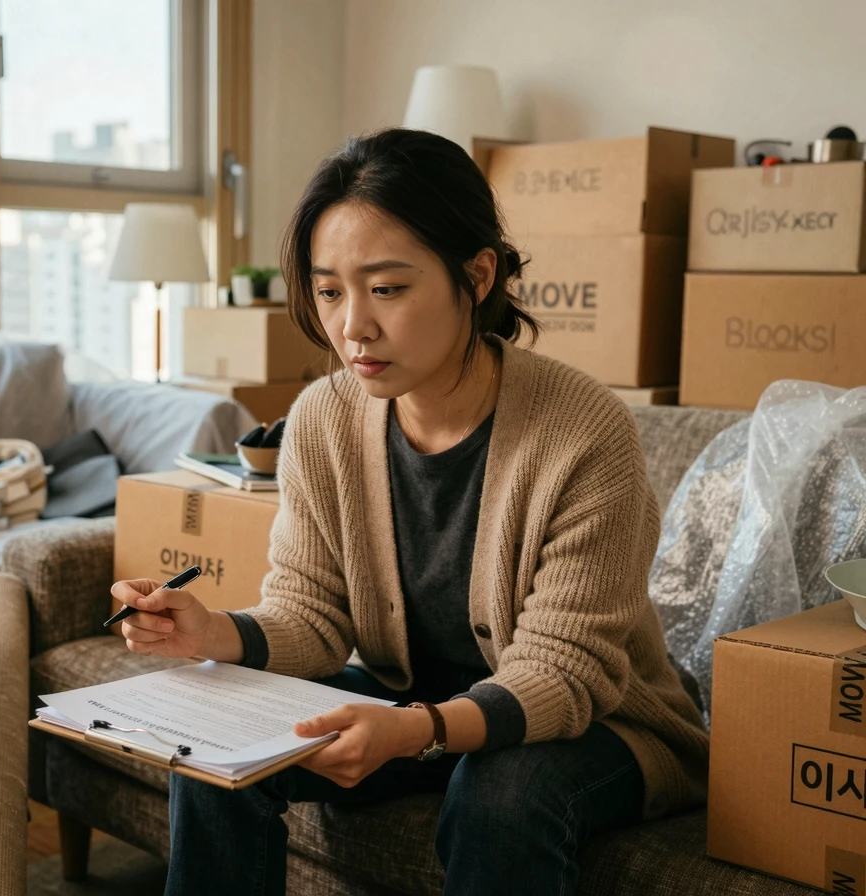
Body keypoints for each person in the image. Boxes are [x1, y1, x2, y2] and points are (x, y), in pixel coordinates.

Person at [110, 128, 708, 896]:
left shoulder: (585, 432)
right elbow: (313, 616)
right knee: (219, 747)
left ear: (478, 273)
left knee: (501, 795)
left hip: (598, 727)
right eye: (330, 291)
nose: (353, 325)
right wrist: (212, 631)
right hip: (414, 701)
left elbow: (564, 676)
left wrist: (419, 732)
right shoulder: (323, 419)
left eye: (387, 289)